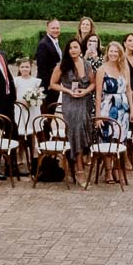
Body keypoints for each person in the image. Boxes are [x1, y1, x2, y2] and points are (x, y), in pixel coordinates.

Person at [51, 37, 95, 189]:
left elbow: (93, 83)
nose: (73, 50)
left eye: (75, 47)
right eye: (70, 48)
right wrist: (68, 90)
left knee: (84, 129)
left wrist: (85, 91)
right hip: (70, 102)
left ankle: (74, 164)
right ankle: (80, 170)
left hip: (85, 101)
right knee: (75, 129)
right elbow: (53, 84)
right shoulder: (62, 65)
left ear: (80, 49)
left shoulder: (87, 65)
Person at [96, 40, 133, 143]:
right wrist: (98, 115)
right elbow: (98, 94)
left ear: (120, 54)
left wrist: (132, 111)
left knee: (121, 136)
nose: (113, 54)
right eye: (111, 51)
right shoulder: (101, 70)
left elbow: (129, 91)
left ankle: (120, 158)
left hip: (123, 108)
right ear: (107, 52)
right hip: (107, 107)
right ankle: (108, 159)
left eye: (116, 52)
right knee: (107, 137)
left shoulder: (125, 69)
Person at [35, 18, 65, 112]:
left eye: (57, 28)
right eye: (53, 28)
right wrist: (48, 84)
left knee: (51, 111)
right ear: (47, 29)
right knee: (46, 112)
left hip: (55, 83)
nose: (56, 30)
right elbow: (41, 68)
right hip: (48, 85)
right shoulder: (43, 45)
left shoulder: (55, 42)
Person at [13, 56, 43, 135]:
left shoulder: (36, 81)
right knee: (21, 127)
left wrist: (31, 101)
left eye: (27, 67)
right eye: (22, 67)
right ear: (19, 68)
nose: (25, 69)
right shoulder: (16, 80)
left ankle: (33, 144)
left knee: (32, 127)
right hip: (20, 107)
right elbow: (13, 96)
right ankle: (22, 145)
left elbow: (38, 95)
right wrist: (21, 102)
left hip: (32, 108)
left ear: (31, 68)